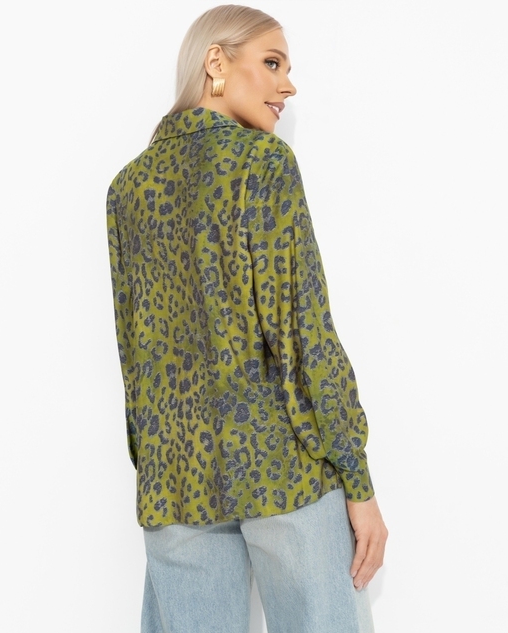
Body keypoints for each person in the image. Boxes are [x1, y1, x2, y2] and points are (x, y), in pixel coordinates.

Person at [106, 5, 387, 632]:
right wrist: (358, 481)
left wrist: (155, 466)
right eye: (272, 63)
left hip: (176, 476)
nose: (288, 85)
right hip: (282, 465)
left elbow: (135, 353)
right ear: (216, 62)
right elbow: (305, 334)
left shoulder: (127, 189)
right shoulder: (263, 164)